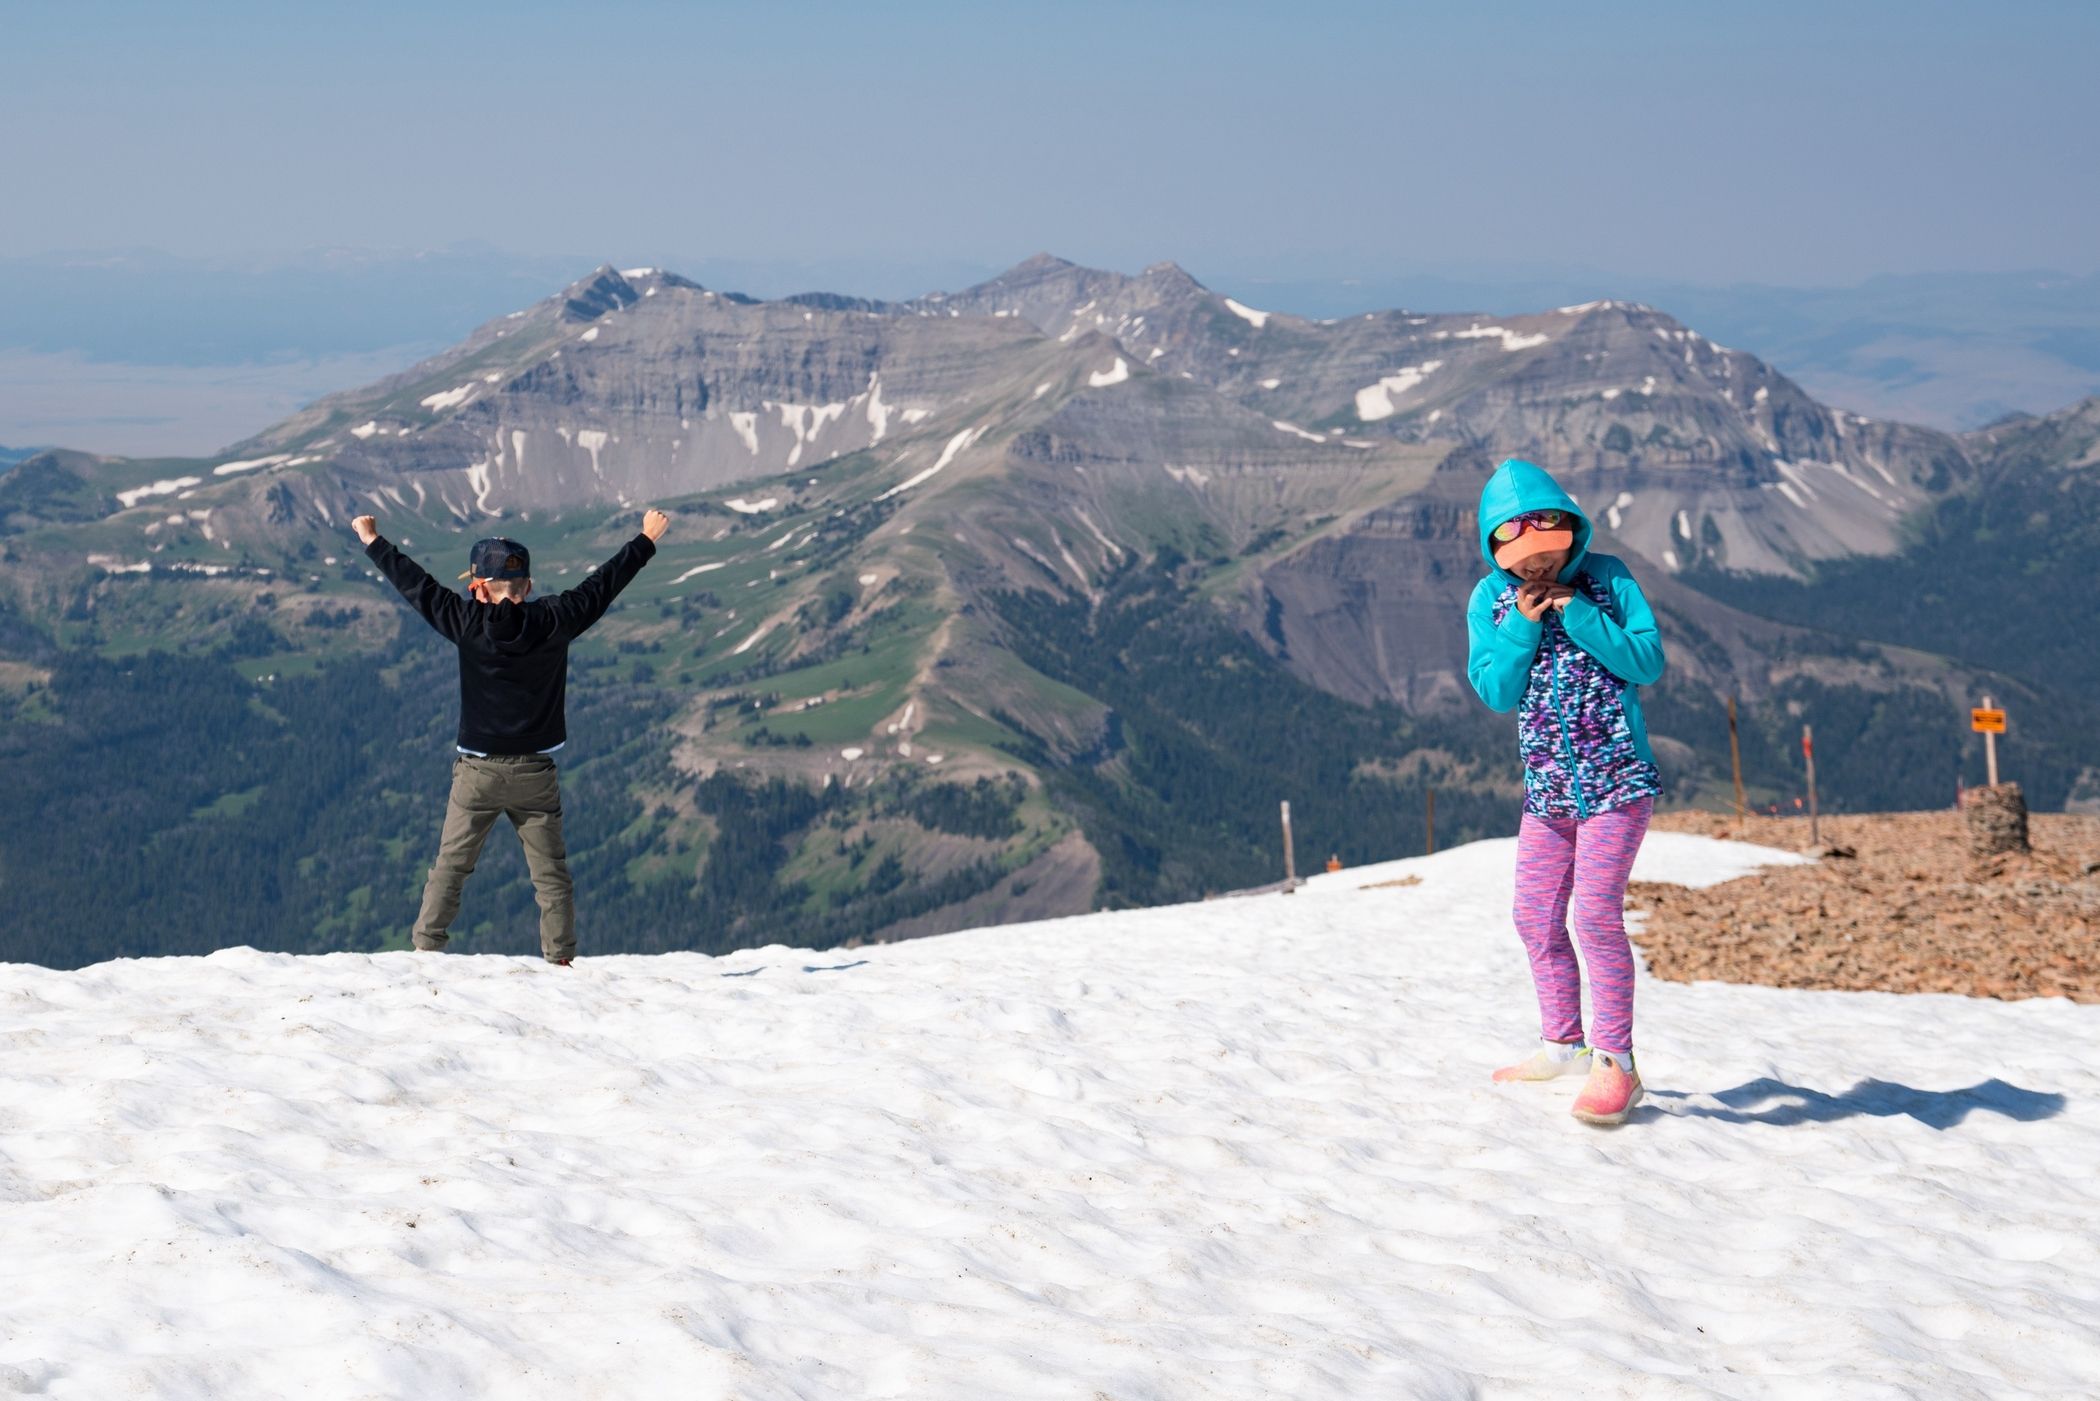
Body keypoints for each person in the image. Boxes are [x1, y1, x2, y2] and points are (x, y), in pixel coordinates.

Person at [351, 510, 669, 964]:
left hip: (477, 774)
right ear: (529, 587)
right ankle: (559, 957)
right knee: (551, 875)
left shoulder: (464, 622)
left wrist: (372, 538)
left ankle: (426, 950)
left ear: (478, 587)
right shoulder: (557, 619)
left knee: (451, 867)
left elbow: (415, 585)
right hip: (536, 773)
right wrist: (645, 538)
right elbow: (604, 585)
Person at [1464, 459, 1664, 1126]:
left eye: (1548, 558)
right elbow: (1495, 691)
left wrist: (1579, 617)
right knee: (1534, 917)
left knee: (1596, 916)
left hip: (1618, 784)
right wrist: (1522, 625)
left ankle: (1618, 1064)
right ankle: (1564, 1042)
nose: (1537, 574)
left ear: (1571, 535)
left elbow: (1647, 661)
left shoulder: (1606, 580)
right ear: (1498, 551)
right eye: (1522, 563)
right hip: (1547, 793)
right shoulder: (1489, 601)